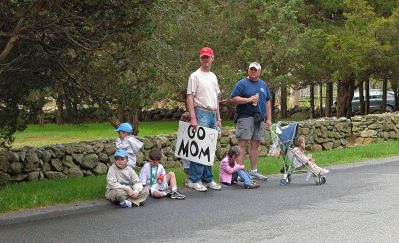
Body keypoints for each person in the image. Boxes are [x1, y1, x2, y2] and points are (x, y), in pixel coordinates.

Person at [186, 46, 222, 191]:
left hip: (212, 113)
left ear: (212, 58)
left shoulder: (213, 76)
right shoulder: (195, 76)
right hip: (201, 111)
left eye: (208, 57)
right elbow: (190, 97)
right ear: (200, 59)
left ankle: (207, 178)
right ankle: (194, 179)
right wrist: (193, 118)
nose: (206, 60)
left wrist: (218, 117)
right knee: (200, 147)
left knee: (210, 148)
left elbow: (216, 98)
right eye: (203, 57)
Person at [230, 62, 272, 181]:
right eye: (251, 69)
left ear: (259, 71)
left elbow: (268, 101)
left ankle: (253, 171)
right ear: (248, 70)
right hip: (245, 117)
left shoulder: (263, 84)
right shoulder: (242, 84)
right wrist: (248, 100)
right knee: (242, 144)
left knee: (255, 145)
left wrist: (269, 118)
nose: (253, 72)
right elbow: (233, 98)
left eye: (255, 70)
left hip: (259, 118)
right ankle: (239, 172)